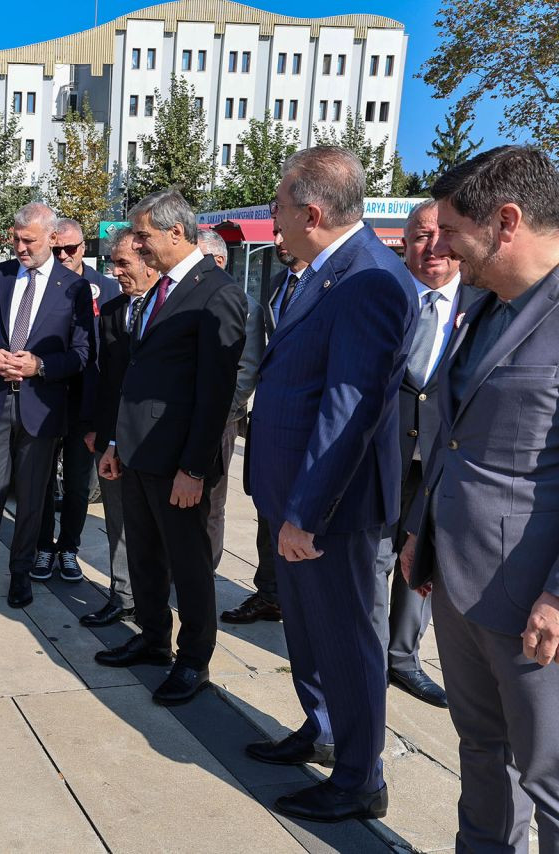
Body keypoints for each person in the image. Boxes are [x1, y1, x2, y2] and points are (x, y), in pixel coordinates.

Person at [245, 146, 415, 823]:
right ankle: (321, 730)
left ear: (311, 212)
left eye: (279, 207)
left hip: (330, 510)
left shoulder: (367, 279)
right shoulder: (326, 270)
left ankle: (358, 779)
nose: (273, 219)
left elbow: (351, 410)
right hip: (295, 498)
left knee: (346, 641)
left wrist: (306, 514)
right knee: (312, 633)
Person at [400, 145, 559, 852]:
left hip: (532, 603)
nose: (445, 249)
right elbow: (451, 431)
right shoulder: (483, 306)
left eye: (455, 233)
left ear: (507, 222)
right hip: (459, 581)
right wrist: (419, 528)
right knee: (479, 752)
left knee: (551, 778)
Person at [94, 190, 246, 707]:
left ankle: (193, 659)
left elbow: (214, 394)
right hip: (137, 452)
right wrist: (117, 440)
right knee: (144, 554)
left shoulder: (216, 292)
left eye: (142, 235)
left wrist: (194, 469)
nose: (136, 244)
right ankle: (154, 637)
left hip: (177, 461)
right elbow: (135, 376)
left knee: (190, 564)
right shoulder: (161, 291)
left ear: (174, 233)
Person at [0, 202, 90, 607]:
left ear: (52, 237)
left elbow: (81, 353)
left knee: (31, 496)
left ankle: (21, 571)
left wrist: (40, 365)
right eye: (15, 239)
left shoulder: (73, 287)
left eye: (29, 240)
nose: (21, 247)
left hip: (40, 409)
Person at [374, 201, 482, 709]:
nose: (432, 247)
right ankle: (370, 656)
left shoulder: (483, 305)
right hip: (382, 453)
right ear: (404, 242)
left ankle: (404, 659)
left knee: (421, 568)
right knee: (373, 558)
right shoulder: (381, 295)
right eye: (420, 236)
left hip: (444, 457)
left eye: (442, 236)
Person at [221, 224, 305, 625]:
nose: (277, 241)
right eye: (274, 232)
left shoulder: (336, 283)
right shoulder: (276, 284)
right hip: (270, 423)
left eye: (282, 232)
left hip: (308, 428)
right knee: (266, 514)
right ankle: (269, 593)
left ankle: (302, 601)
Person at [33, 217, 120, 582]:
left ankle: (69, 547)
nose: (65, 255)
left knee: (78, 483)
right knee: (38, 481)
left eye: (71, 248)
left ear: (84, 247)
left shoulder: (107, 288)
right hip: (46, 397)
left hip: (87, 404)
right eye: (57, 249)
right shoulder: (40, 283)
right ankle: (42, 547)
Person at [80, 228, 157, 627]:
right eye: (112, 262)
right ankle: (123, 594)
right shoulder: (112, 309)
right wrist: (98, 429)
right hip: (112, 439)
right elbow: (105, 377)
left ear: (148, 261)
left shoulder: (167, 307)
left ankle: (153, 601)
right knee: (118, 522)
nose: (115, 271)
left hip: (155, 440)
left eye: (123, 263)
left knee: (154, 528)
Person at [197, 228, 249, 573]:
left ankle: (206, 568)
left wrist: (215, 415)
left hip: (222, 421)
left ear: (218, 260)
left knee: (213, 501)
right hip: (192, 416)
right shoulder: (193, 298)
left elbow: (245, 374)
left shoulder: (245, 303)